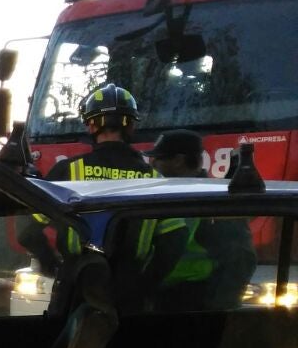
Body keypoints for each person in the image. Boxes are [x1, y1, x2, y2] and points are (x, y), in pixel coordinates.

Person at [18, 83, 187, 282]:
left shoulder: (67, 171)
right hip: (128, 288)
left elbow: (27, 232)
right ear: (131, 126)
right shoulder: (154, 180)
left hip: (76, 284)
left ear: (91, 126)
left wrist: (55, 268)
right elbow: (176, 237)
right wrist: (146, 285)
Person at [148, 130, 257, 310]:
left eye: (159, 158)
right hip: (164, 297)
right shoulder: (169, 197)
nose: (153, 163)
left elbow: (241, 259)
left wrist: (219, 311)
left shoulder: (212, 203)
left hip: (196, 300)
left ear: (178, 161)